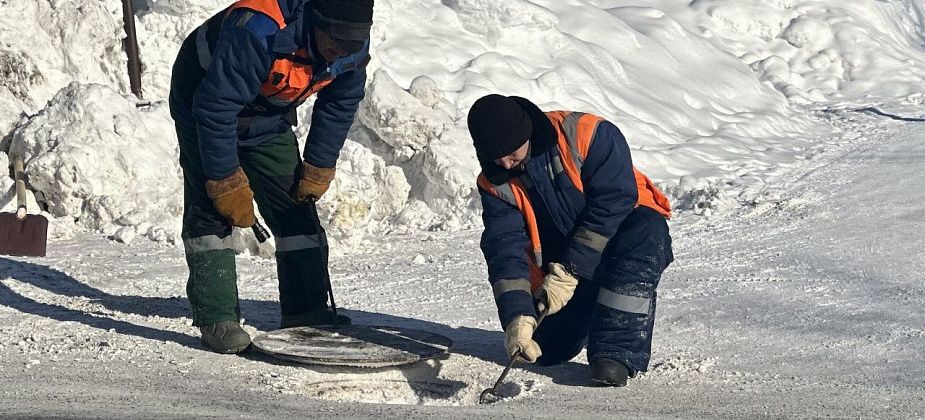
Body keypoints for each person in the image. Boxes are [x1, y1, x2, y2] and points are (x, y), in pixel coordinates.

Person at [168, 0, 374, 354]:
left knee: (294, 203)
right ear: (315, 22)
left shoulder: (351, 41)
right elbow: (216, 109)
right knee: (213, 205)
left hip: (267, 114)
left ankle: (306, 310)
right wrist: (226, 181)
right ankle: (217, 317)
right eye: (335, 41)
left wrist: (319, 165)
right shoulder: (258, 31)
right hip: (204, 101)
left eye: (351, 43)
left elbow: (340, 101)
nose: (340, 51)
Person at [468, 94, 674, 386]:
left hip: (622, 236)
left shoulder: (587, 134)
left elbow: (614, 200)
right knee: (546, 349)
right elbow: (505, 249)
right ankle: (590, 307)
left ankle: (615, 352)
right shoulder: (494, 182)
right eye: (495, 156)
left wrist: (571, 269)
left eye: (511, 152)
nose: (505, 162)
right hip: (562, 264)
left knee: (647, 233)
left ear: (526, 133)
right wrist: (517, 315)